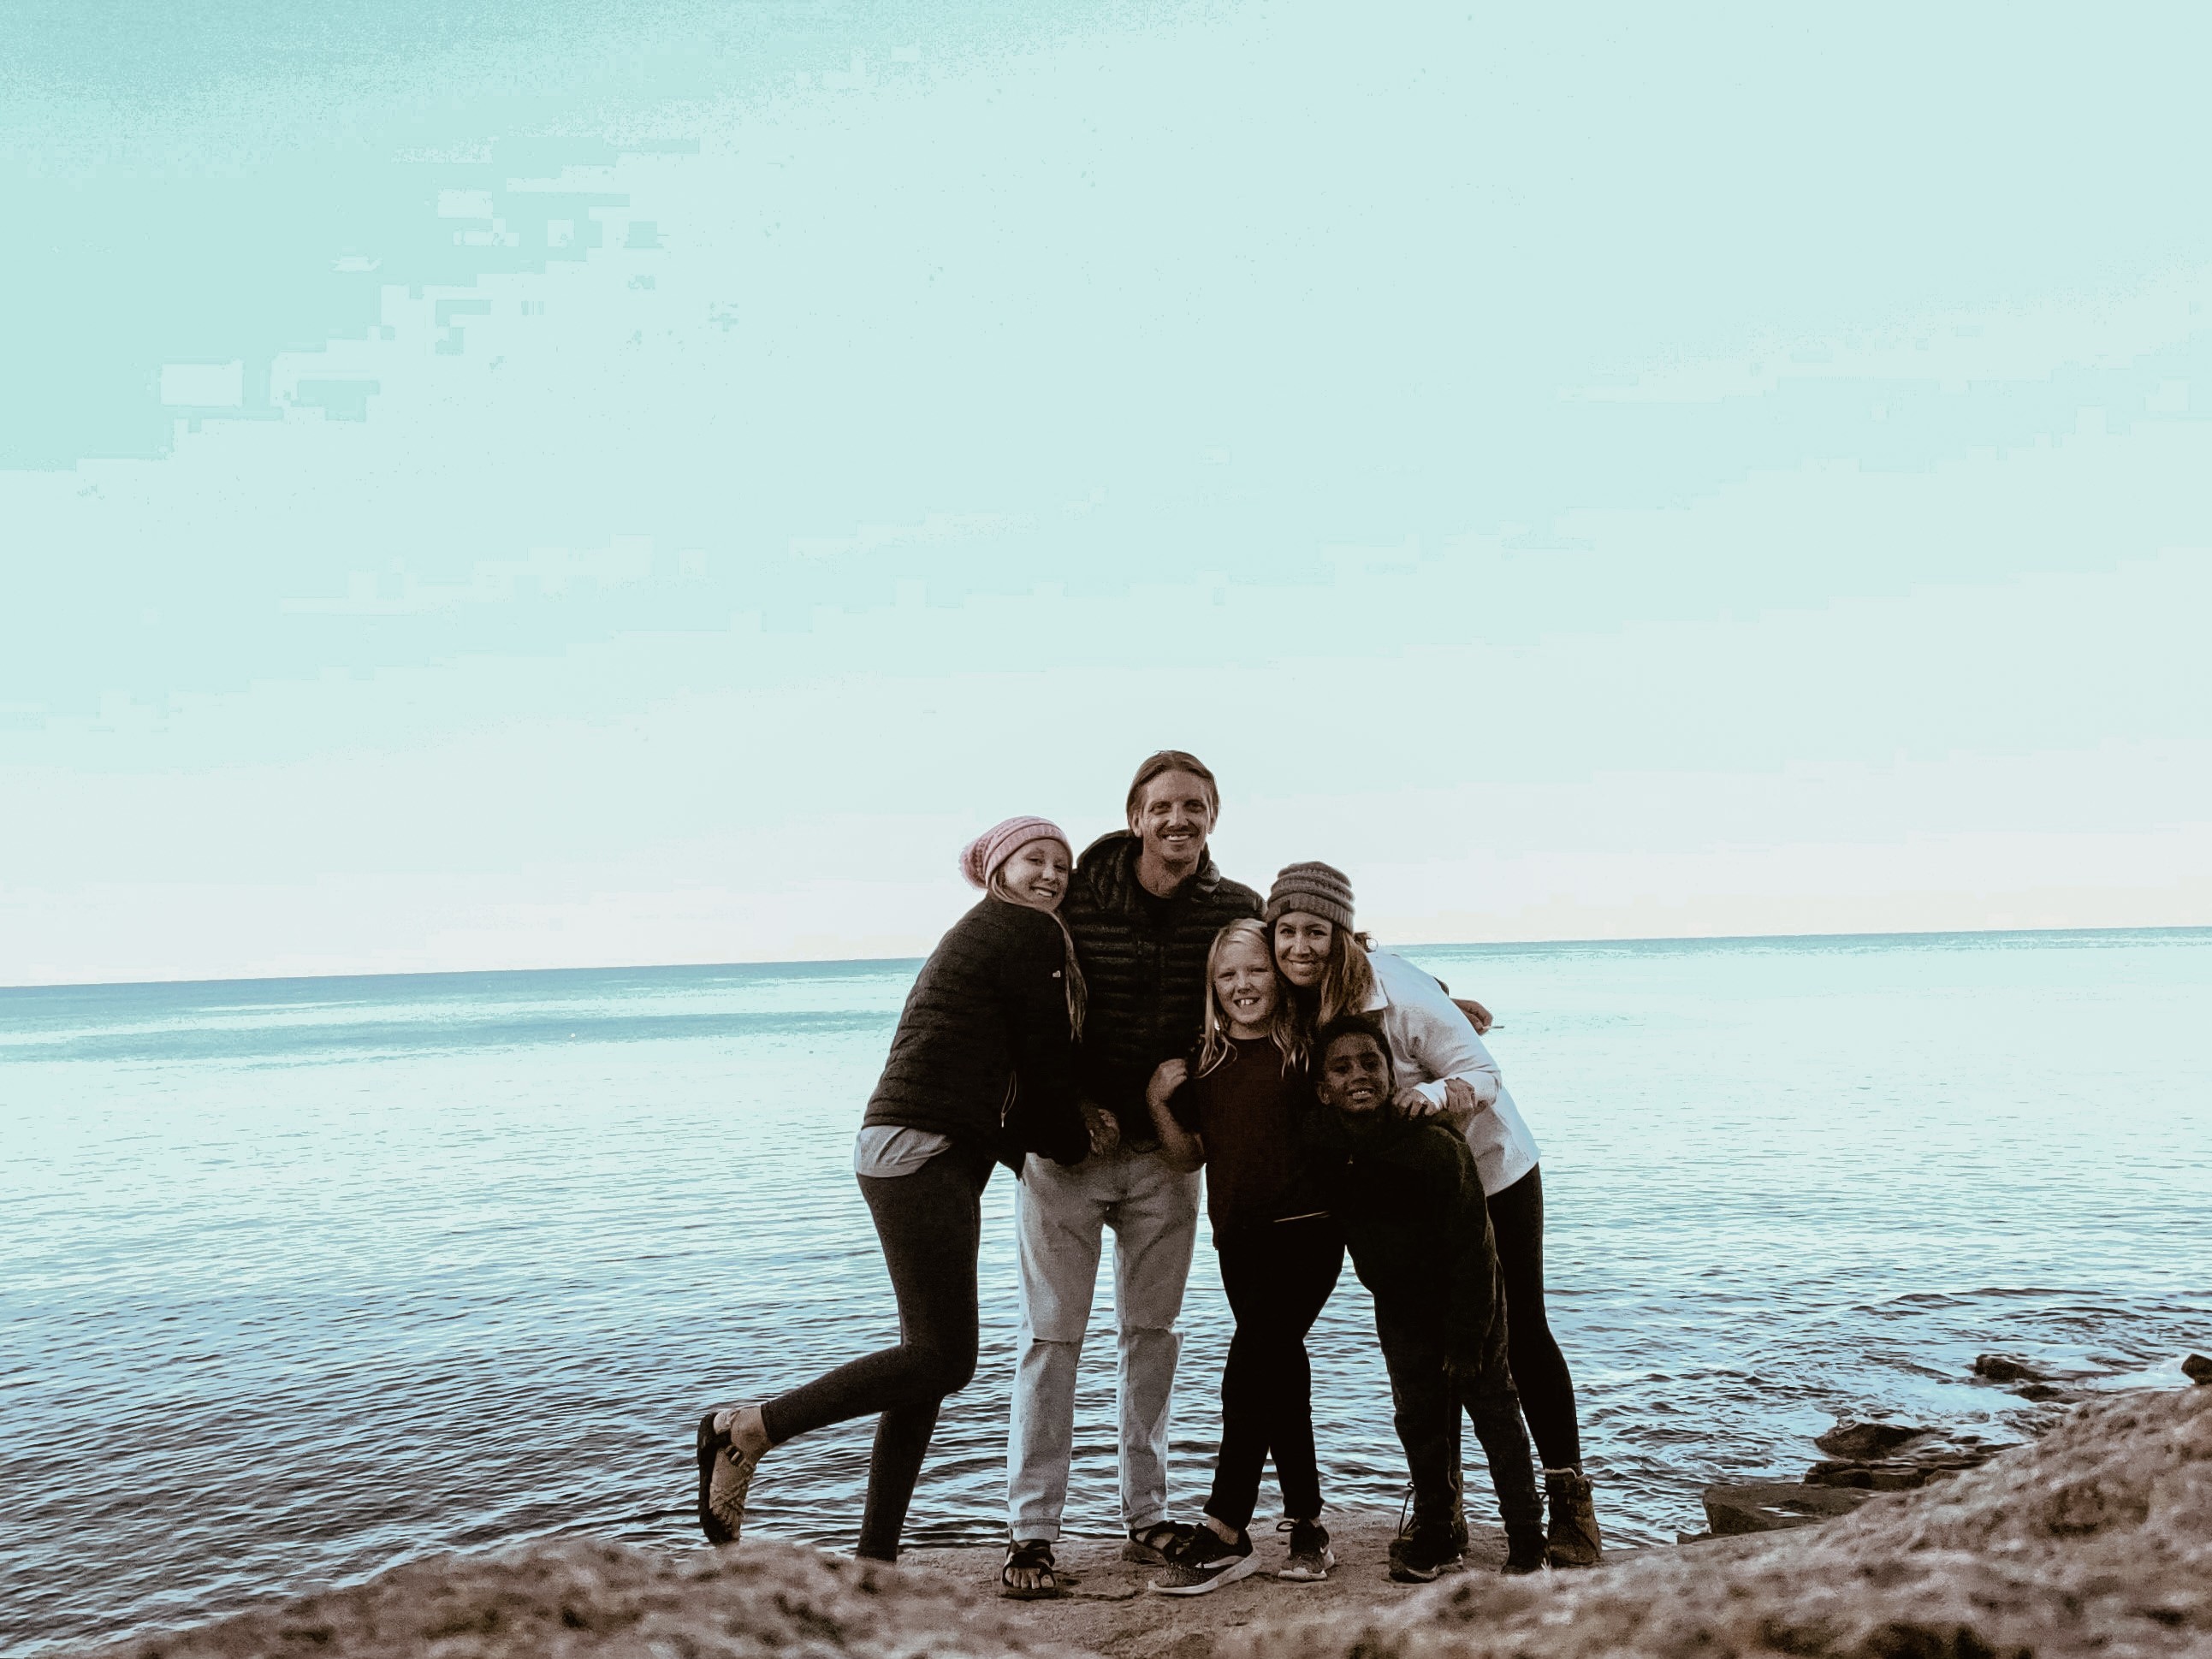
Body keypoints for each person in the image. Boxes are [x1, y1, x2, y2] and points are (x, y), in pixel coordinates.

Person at [693, 816, 1093, 1564]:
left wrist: (1022, 1145)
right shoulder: (1023, 932)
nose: (1050, 874)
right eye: (1034, 858)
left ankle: (875, 1559)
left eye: (1062, 865)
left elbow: (991, 1064)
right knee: (946, 1359)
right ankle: (747, 1428)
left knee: (925, 1361)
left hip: (913, 1145)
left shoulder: (992, 931)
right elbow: (1044, 1068)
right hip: (921, 1148)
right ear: (998, 869)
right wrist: (1077, 1141)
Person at [1264, 861, 1604, 1567]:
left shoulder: (1400, 991)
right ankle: (1440, 1511)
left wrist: (1438, 1093)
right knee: (1423, 1348)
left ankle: (1569, 1501)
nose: (1299, 946)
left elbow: (1483, 1072)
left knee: (1518, 1330)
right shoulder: (1298, 1002)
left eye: (1316, 931)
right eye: (1286, 931)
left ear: (1343, 935)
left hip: (1489, 1169)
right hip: (1404, 1195)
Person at [1003, 751, 1264, 1598]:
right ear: (1134, 814)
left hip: (1163, 1155)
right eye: (1162, 807)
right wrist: (1039, 1123)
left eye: (1194, 807)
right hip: (1065, 1158)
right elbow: (1005, 997)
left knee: (1150, 1338)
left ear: (1212, 817)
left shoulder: (1233, 907)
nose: (1177, 821)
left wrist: (1431, 999)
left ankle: (1146, 1518)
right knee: (1052, 1341)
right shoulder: (1074, 895)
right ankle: (1031, 1534)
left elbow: (1298, 976)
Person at [1140, 919, 1343, 1594]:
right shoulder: (1205, 1060)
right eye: (1226, 975)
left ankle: (1226, 1528)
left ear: (1276, 973)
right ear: (1212, 985)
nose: (1242, 985)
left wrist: (1444, 999)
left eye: (1254, 969)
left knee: (1248, 1368)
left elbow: (1375, 1008)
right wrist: (1157, 1105)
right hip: (1240, 1241)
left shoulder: (1305, 1046)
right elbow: (1186, 1156)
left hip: (1310, 1231)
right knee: (1279, 1376)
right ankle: (1307, 1525)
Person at [1310, 1015, 1547, 1579]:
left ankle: (1526, 1541)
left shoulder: (1433, 1146)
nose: (1358, 1075)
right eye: (1340, 1068)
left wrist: (1469, 1332)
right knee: (1419, 1421)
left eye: (1371, 1063)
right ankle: (1437, 1533)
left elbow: (1474, 1246)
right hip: (1399, 1309)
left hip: (1468, 1304)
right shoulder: (1325, 1145)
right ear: (1322, 1089)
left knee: (1494, 1416)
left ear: (1392, 1076)